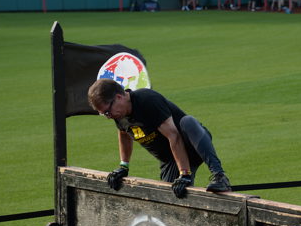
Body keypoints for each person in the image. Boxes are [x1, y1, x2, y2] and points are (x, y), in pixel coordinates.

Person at [87, 79, 231, 197]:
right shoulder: (119, 113)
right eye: (104, 114)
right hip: (169, 160)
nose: (108, 117)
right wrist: (123, 166)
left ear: (119, 97)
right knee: (169, 199)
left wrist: (185, 174)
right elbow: (124, 134)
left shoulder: (147, 100)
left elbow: (174, 136)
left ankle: (220, 176)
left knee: (188, 121)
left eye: (107, 112)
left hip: (191, 145)